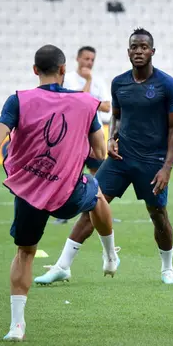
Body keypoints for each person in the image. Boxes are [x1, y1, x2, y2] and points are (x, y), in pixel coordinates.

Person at [0, 45, 118, 341]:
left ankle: (16, 327)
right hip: (67, 192)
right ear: (64, 70)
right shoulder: (85, 102)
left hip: (28, 191)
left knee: (25, 253)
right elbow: (99, 151)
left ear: (35, 70)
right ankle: (109, 255)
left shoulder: (19, 100)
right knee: (98, 195)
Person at [34, 28, 173, 285]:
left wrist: (167, 167)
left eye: (144, 47)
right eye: (134, 47)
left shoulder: (167, 85)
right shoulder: (119, 83)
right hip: (120, 159)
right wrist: (112, 138)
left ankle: (167, 269)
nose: (139, 51)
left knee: (158, 214)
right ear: (128, 52)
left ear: (152, 51)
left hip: (153, 162)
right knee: (91, 204)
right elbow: (116, 116)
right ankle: (63, 266)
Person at [53, 46, 119, 224]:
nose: (89, 62)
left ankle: (102, 211)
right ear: (78, 59)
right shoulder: (68, 80)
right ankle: (63, 212)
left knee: (99, 173)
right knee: (70, 173)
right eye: (86, 59)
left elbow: (106, 107)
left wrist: (87, 97)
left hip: (93, 133)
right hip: (72, 133)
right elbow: (77, 102)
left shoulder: (99, 80)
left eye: (92, 59)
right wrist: (88, 83)